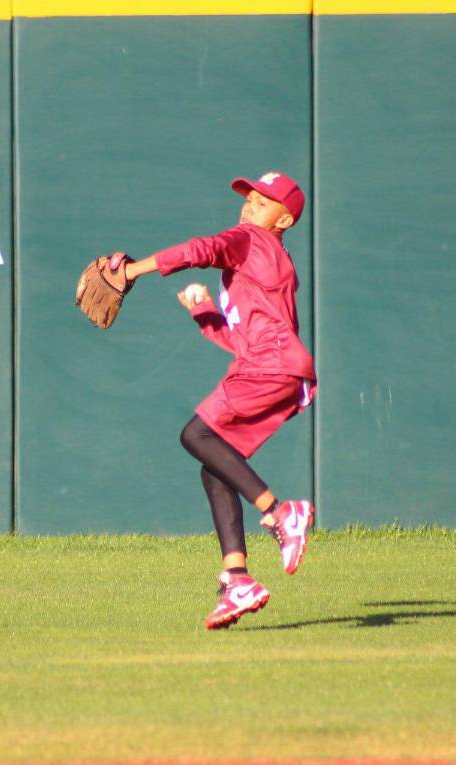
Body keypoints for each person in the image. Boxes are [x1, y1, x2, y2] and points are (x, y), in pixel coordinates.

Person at [120, 171, 317, 629]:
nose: (251, 205)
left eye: (264, 201)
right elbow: (250, 341)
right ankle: (238, 578)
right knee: (216, 466)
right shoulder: (275, 260)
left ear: (284, 218)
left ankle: (279, 512)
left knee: (196, 434)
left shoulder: (251, 240)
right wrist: (206, 315)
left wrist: (132, 271)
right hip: (279, 368)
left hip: (269, 366)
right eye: (250, 196)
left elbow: (198, 250)